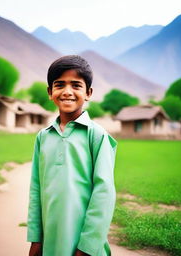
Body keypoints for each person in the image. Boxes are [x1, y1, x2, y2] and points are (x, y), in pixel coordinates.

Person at [27, 55, 117, 256]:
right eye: (59, 85)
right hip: (50, 241)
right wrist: (35, 238)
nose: (67, 91)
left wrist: (87, 246)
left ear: (88, 93)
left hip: (82, 244)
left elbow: (104, 193)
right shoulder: (43, 136)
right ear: (50, 92)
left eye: (76, 85)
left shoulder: (97, 135)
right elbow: (36, 190)